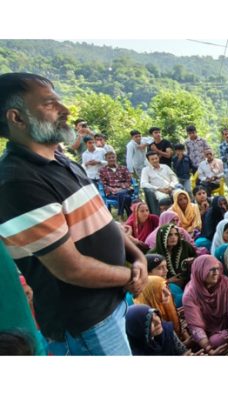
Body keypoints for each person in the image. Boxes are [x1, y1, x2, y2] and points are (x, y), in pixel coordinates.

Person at [0, 72, 147, 355]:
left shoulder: (60, 161)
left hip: (111, 304)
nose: (65, 110)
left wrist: (137, 257)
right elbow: (69, 267)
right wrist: (129, 274)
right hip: (86, 325)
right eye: (49, 104)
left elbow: (104, 220)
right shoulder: (18, 182)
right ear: (16, 118)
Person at [183, 255, 228, 355]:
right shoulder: (190, 294)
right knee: (216, 341)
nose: (216, 273)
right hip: (208, 332)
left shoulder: (224, 282)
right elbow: (195, 326)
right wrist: (209, 350)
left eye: (217, 269)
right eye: (211, 269)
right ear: (200, 271)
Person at [99, 150, 134, 218]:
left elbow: (128, 181)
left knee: (122, 193)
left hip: (125, 190)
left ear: (115, 158)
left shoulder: (123, 168)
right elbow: (104, 184)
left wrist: (120, 188)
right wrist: (112, 189)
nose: (111, 159)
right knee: (126, 197)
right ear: (106, 159)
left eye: (113, 157)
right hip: (112, 193)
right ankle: (129, 215)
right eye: (109, 158)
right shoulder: (102, 170)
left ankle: (120, 214)